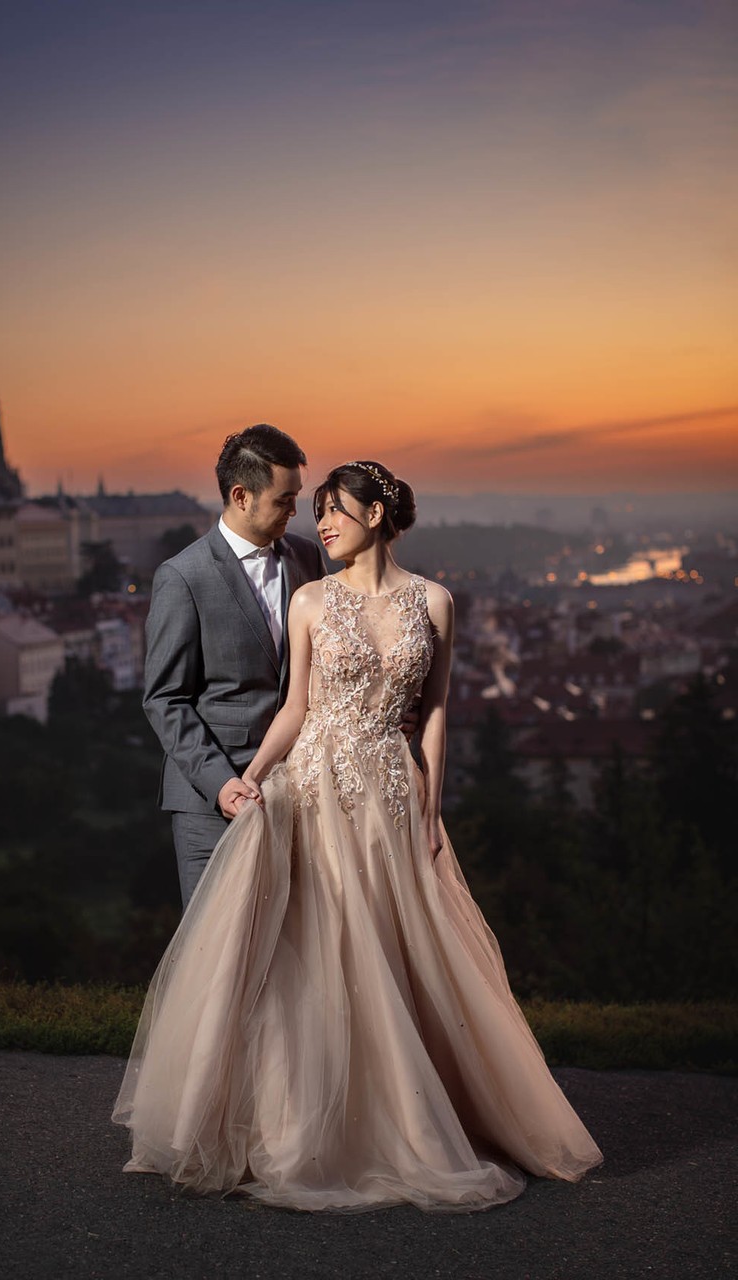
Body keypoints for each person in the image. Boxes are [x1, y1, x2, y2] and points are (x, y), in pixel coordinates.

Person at [114, 460, 602, 1212]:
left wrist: (433, 809)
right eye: (314, 512)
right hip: (311, 785)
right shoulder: (310, 598)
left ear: (377, 514)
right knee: (308, 955)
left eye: (334, 510)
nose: (321, 525)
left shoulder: (435, 602)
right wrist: (251, 776)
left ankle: (406, 1115)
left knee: (393, 952)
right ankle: (293, 1122)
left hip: (391, 794)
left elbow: (435, 713)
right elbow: (293, 709)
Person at [142, 423, 327, 906]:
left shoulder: (307, 558)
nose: (295, 510)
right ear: (241, 495)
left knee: (292, 953)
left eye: (296, 498)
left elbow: (325, 668)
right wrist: (220, 783)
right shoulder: (182, 577)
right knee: (216, 958)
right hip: (211, 801)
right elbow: (165, 699)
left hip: (298, 788)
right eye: (283, 500)